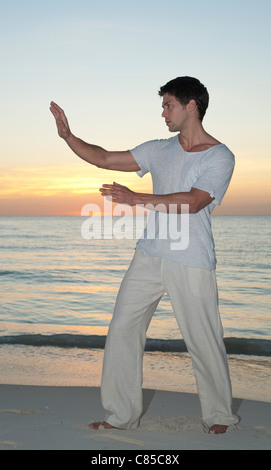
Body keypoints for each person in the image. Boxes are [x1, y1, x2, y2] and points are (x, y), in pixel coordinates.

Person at [50, 76, 238, 434]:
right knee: (122, 328)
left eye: (168, 105)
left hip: (192, 258)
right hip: (149, 254)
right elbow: (105, 158)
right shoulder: (158, 149)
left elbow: (195, 201)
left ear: (191, 106)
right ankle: (120, 415)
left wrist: (137, 199)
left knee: (203, 339)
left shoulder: (220, 156)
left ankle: (219, 415)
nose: (163, 112)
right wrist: (69, 138)